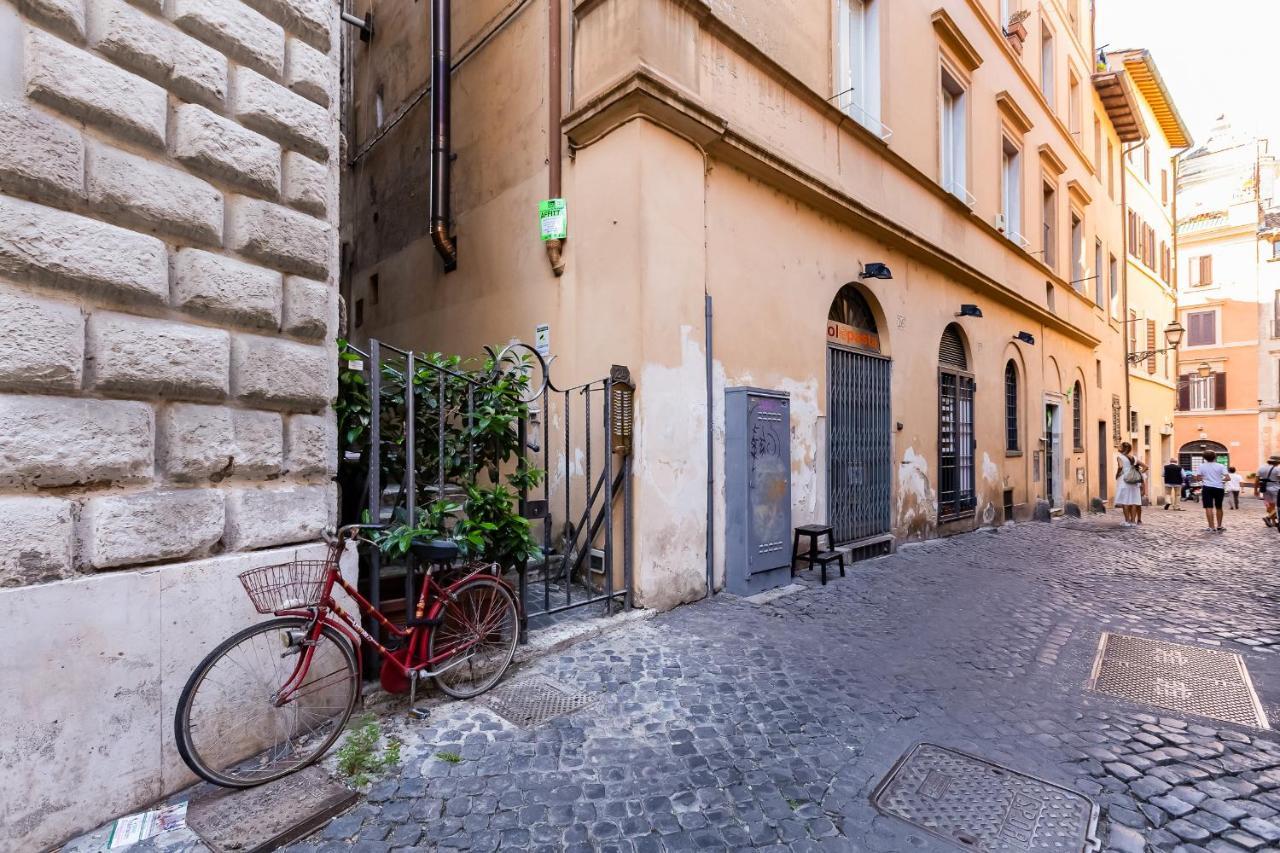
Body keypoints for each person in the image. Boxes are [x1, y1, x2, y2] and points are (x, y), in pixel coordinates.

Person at [1197, 451, 1230, 532]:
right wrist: (1221, 480)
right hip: (1219, 488)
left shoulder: (1201, 466)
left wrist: (1205, 479)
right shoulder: (1221, 466)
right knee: (1219, 507)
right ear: (1215, 457)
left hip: (1207, 487)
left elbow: (1197, 478)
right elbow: (1228, 478)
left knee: (1208, 507)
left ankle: (1211, 527)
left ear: (1204, 458)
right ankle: (1219, 526)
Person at [1114, 442, 1145, 526]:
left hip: (1124, 480)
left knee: (1125, 501)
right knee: (1133, 501)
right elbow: (1146, 467)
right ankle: (1133, 522)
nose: (1118, 447)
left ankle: (1127, 521)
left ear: (1124, 448)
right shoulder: (1134, 458)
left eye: (1120, 446)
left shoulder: (1120, 457)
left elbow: (1120, 467)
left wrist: (1117, 475)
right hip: (1134, 481)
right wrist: (1138, 473)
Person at [1258, 454, 1280, 528]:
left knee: (1271, 506)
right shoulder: (1277, 469)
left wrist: (1255, 490)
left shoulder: (1261, 468)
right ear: (1277, 462)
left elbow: (1256, 479)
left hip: (1265, 488)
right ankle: (1268, 517)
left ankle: (1273, 522)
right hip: (1275, 489)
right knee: (1277, 506)